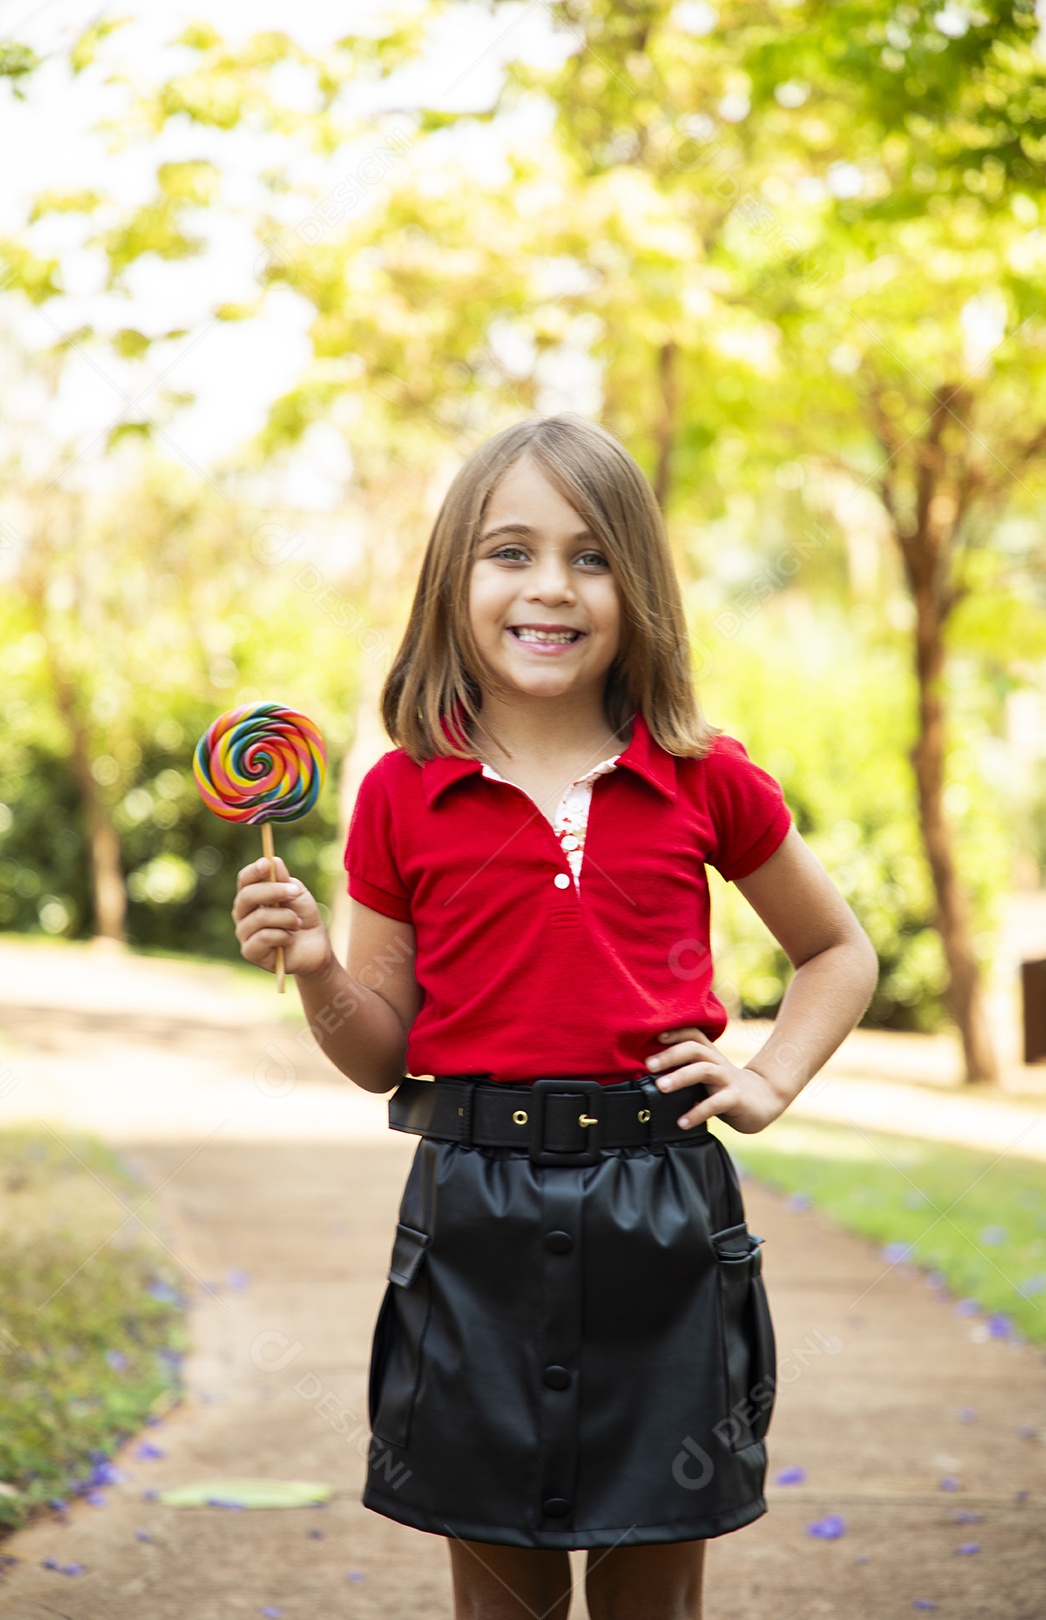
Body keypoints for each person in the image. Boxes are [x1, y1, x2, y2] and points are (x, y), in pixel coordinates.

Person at [231, 414, 879, 1620]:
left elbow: (837, 949)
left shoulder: (704, 773)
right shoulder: (401, 792)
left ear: (640, 591)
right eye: (510, 552)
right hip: (470, 1220)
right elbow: (377, 1056)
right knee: (499, 1596)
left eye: (592, 557)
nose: (551, 587)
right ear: (453, 580)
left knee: (654, 1588)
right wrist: (318, 968)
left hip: (663, 1216)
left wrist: (769, 1081)